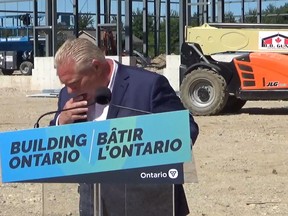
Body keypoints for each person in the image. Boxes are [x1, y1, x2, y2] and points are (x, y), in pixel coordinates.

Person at [50, 38, 199, 216]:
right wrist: (61, 121)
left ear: (96, 67)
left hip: (147, 203)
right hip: (94, 204)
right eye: (65, 85)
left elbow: (186, 128)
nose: (69, 91)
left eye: (74, 83)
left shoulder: (148, 86)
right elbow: (55, 145)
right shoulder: (68, 97)